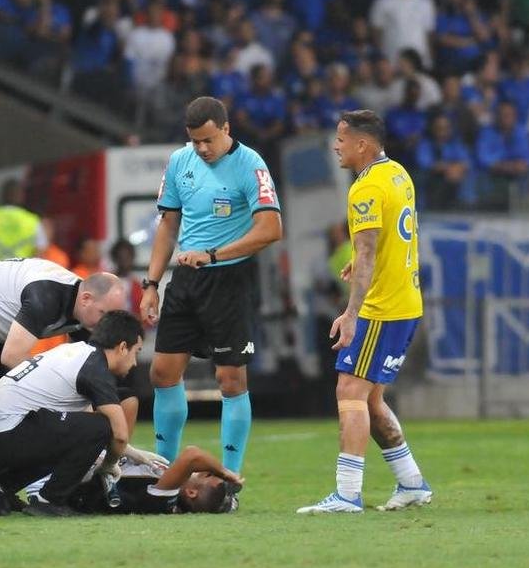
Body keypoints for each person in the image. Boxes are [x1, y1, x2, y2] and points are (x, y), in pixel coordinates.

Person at [140, 96, 283, 477]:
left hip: (229, 278)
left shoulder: (251, 165)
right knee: (163, 373)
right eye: (195, 141)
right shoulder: (179, 162)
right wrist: (151, 283)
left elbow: (271, 229)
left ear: (226, 129)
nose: (201, 149)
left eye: (208, 140)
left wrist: (214, 254)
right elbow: (168, 224)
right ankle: (163, 471)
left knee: (230, 378)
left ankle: (229, 477)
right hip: (186, 279)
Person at [297, 110, 430, 514]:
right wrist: (359, 260)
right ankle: (412, 483)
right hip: (406, 300)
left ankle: (348, 494)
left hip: (381, 307)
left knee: (349, 391)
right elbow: (388, 238)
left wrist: (351, 313)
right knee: (370, 400)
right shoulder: (398, 173)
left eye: (341, 138)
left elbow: (370, 250)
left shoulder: (365, 188)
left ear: (362, 145)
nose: (336, 145)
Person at [0, 257, 128, 513]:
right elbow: (12, 357)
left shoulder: (85, 312)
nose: (103, 324)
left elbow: (85, 375)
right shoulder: (47, 298)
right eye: (104, 315)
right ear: (86, 299)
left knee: (26, 411)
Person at [0, 310, 143, 517]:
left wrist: (133, 453)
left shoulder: (74, 352)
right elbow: (118, 434)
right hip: (2, 434)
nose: (135, 363)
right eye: (136, 352)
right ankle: (50, 499)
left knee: (76, 434)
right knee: (101, 427)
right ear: (122, 347)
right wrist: (109, 465)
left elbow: (76, 432)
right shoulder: (96, 368)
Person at [67, 444, 243, 515]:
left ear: (191, 492)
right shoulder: (168, 487)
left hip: (74, 473)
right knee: (128, 399)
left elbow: (193, 455)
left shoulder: (165, 497)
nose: (206, 470)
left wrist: (225, 472)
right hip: (90, 455)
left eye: (209, 475)